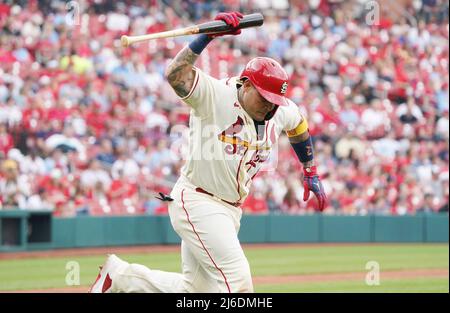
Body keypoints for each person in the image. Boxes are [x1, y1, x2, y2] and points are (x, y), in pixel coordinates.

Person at [89, 11, 326, 293]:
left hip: (229, 210)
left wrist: (309, 167)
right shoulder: (216, 95)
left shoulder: (279, 110)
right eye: (265, 98)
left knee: (195, 292)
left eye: (276, 100)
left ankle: (119, 278)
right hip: (198, 200)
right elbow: (176, 76)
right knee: (238, 283)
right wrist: (206, 37)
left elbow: (298, 125)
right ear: (246, 84)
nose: (271, 106)